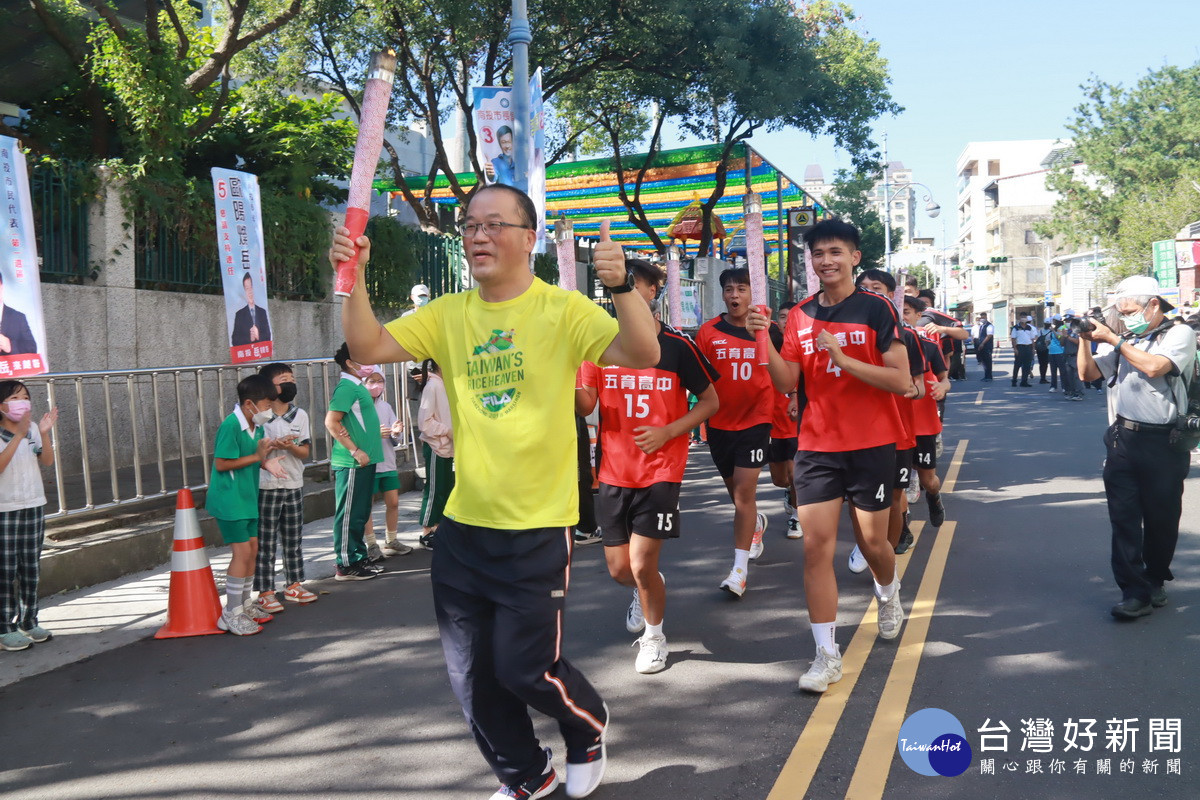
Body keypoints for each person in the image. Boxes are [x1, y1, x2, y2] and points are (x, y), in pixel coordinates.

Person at [333, 182, 659, 799]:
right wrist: (351, 277)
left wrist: (619, 289)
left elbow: (641, 352)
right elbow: (367, 346)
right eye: (469, 225)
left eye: (494, 225)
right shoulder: (450, 314)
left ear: (528, 239)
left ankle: (585, 722)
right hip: (464, 527)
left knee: (523, 667)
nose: (478, 235)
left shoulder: (562, 309)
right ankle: (525, 776)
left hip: (537, 526)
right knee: (472, 677)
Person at [750, 218, 911, 694]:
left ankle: (888, 591)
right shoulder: (798, 316)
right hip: (817, 447)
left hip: (872, 444)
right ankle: (825, 655)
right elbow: (785, 382)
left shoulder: (877, 309)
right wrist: (765, 338)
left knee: (872, 545)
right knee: (815, 550)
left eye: (836, 252)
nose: (827, 261)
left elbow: (901, 380)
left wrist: (843, 360)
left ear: (855, 258)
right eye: (819, 253)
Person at [575, 258, 719, 675]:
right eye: (615, 285)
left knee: (640, 563)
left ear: (653, 291)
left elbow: (711, 402)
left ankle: (654, 638)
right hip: (613, 470)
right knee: (622, 570)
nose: (623, 293)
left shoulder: (676, 346)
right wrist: (564, 376)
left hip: (661, 467)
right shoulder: (599, 345)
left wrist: (669, 431)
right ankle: (645, 589)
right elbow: (586, 405)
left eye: (632, 285)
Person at [1076, 276, 1195, 620]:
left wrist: (1113, 339)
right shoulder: (1125, 339)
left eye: (1130, 311)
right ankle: (1134, 591)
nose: (1125, 318)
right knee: (1124, 519)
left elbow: (1155, 367)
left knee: (1162, 517)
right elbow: (1088, 375)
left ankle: (1155, 577)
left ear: (1154, 304)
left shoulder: (1178, 334)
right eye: (1121, 313)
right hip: (1123, 439)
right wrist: (1086, 340)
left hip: (1165, 441)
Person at [695, 267, 774, 597]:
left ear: (753, 293)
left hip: (757, 420)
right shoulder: (709, 332)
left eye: (742, 289)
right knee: (738, 496)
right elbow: (699, 378)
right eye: (729, 289)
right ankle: (754, 524)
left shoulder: (768, 329)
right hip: (720, 423)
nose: (735, 295)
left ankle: (738, 571)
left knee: (744, 495)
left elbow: (787, 368)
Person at [207, 374, 284, 636]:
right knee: (242, 553)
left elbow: (255, 456)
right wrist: (257, 457)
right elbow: (221, 464)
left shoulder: (256, 426)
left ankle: (245, 604)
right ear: (249, 403)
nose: (269, 410)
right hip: (230, 499)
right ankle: (231, 613)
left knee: (253, 549)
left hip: (247, 497)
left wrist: (266, 460)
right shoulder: (231, 425)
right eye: (266, 405)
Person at [254, 362, 318, 613]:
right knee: (266, 540)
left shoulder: (300, 415)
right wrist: (272, 446)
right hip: (266, 486)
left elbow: (304, 452)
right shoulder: (260, 416)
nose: (290, 383)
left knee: (293, 538)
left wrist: (290, 446)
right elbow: (252, 450)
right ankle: (266, 591)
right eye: (283, 379)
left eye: (292, 378)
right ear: (270, 386)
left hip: (293, 482)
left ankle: (294, 584)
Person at [0, 381, 56, 651]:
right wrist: (18, 435)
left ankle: (28, 621)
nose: (23, 402)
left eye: (25, 397)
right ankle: (4, 628)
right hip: (4, 509)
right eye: (15, 397)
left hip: (33, 504)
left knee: (30, 568)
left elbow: (46, 460)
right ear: (2, 406)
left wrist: (43, 433)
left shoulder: (32, 428)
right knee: (5, 570)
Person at [325, 343, 385, 581]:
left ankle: (358, 559)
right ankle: (346, 564)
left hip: (364, 461)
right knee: (349, 513)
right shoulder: (347, 387)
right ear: (349, 363)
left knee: (360, 512)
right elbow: (331, 422)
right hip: (352, 463)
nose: (369, 362)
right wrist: (354, 450)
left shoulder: (356, 385)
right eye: (363, 357)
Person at [902, 298, 950, 530]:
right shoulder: (879, 346)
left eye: (907, 312)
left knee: (928, 480)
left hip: (922, 424)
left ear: (917, 315)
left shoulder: (928, 346)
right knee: (895, 484)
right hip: (893, 425)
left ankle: (934, 496)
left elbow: (944, 378)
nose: (902, 316)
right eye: (897, 312)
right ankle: (901, 528)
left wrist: (942, 387)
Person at [362, 368, 412, 559]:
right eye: (371, 381)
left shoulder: (385, 406)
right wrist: (376, 434)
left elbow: (394, 436)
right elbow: (355, 436)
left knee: (393, 502)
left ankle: (391, 539)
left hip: (388, 462)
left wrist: (396, 431)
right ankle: (371, 543)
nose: (376, 385)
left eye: (379, 380)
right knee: (368, 505)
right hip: (369, 463)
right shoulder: (358, 408)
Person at [769, 302, 802, 540]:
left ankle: (796, 518)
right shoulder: (767, 341)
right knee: (780, 479)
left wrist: (795, 396)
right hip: (770, 419)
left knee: (794, 474)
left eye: (792, 317)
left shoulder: (804, 344)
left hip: (794, 419)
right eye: (782, 317)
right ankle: (790, 495)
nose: (787, 321)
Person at [416, 359, 454, 549]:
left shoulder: (444, 384)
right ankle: (426, 532)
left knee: (445, 488)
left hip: (447, 446)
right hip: (436, 445)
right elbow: (424, 422)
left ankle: (438, 530)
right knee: (434, 489)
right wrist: (447, 431)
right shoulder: (433, 386)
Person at [0, 273, 38, 357]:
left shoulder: (17, 317)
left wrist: (10, 346)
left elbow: (32, 348)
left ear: (1, 287)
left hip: (9, 368)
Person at [230, 272, 272, 346]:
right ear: (244, 292)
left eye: (251, 287)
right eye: (247, 288)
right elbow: (235, 340)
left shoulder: (262, 312)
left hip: (260, 353)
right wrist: (249, 338)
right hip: (247, 354)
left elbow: (268, 336)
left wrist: (258, 336)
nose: (250, 292)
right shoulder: (239, 314)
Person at [1058, 311, 1084, 400]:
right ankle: (1071, 392)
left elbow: (1078, 342)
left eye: (1069, 320)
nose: (1067, 322)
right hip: (1067, 356)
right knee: (1069, 377)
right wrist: (1062, 336)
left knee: (1076, 376)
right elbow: (1062, 344)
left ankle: (1078, 393)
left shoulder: (1077, 331)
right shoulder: (1067, 331)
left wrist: (1068, 336)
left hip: (1075, 356)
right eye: (1066, 321)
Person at [1009, 315, 1037, 387]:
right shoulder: (1016, 328)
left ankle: (1024, 381)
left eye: (1025, 318)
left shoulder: (1029, 328)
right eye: (1022, 317)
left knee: (1027, 365)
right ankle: (1014, 380)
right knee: (1017, 365)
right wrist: (1015, 349)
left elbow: (1032, 339)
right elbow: (1013, 339)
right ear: (1020, 318)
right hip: (1020, 347)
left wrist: (1033, 349)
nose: (1023, 319)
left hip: (1028, 347)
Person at [1045, 314, 1064, 391]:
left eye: (1053, 320)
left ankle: (1064, 386)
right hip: (1052, 352)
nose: (1052, 322)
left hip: (1060, 352)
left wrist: (1053, 330)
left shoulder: (1063, 327)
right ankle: (1053, 386)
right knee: (1053, 370)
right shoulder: (1055, 328)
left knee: (1062, 371)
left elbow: (1060, 338)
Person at [975, 312, 994, 381]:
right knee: (984, 362)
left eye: (983, 317)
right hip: (982, 346)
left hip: (987, 347)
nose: (982, 319)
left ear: (986, 317)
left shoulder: (989, 326)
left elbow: (989, 336)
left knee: (988, 362)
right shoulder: (982, 326)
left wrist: (983, 343)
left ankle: (989, 376)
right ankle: (986, 376)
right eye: (981, 318)